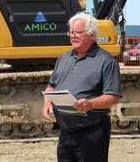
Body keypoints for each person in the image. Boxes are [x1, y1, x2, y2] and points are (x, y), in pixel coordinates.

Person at [42, 12, 122, 162]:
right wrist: (47, 102)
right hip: (66, 132)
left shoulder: (106, 61)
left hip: (92, 132)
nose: (73, 36)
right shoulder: (64, 58)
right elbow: (51, 85)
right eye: (71, 32)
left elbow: (113, 96)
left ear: (91, 34)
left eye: (77, 32)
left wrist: (90, 104)